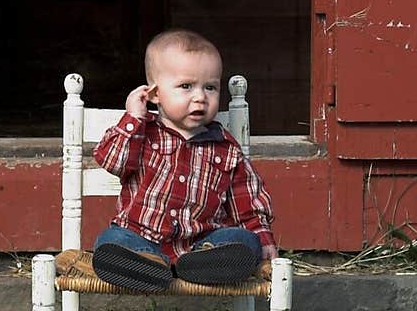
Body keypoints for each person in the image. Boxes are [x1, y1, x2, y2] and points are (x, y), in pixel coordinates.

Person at [90, 28, 278, 291]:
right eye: (186, 86)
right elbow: (112, 160)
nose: (200, 96)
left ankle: (201, 266)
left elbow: (247, 200)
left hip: (202, 244)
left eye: (210, 87)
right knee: (111, 240)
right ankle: (150, 266)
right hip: (142, 240)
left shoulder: (225, 146)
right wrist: (133, 119)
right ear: (154, 94)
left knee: (245, 241)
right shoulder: (144, 133)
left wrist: (263, 237)